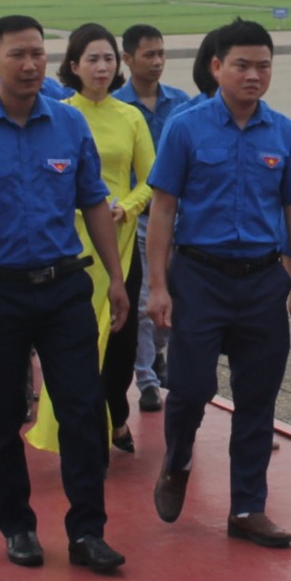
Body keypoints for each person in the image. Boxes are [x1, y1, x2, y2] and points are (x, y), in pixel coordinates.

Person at [0, 14, 134, 574]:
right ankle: (18, 527)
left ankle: (87, 530)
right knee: (1, 416)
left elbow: (93, 201)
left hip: (65, 285)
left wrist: (116, 280)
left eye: (37, 55)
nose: (29, 65)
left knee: (81, 408)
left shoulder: (69, 128)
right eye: (17, 55)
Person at [143, 19, 291, 548]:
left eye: (263, 66)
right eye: (241, 64)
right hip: (199, 277)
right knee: (192, 389)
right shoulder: (186, 127)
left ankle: (247, 507)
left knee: (257, 398)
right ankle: (177, 463)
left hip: (263, 280)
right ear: (216, 67)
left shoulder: (284, 133)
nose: (253, 75)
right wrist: (158, 286)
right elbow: (163, 208)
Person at [37, 25, 155, 455]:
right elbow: (49, 178)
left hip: (121, 242)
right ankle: (84, 430)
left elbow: (152, 178)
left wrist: (128, 206)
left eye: (108, 58)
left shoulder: (131, 116)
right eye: (92, 59)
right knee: (78, 343)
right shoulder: (60, 116)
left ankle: (116, 415)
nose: (102, 67)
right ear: (73, 67)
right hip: (72, 244)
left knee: (121, 342)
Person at [115, 23, 193, 411]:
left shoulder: (182, 103)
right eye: (149, 55)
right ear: (128, 59)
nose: (157, 61)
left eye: (161, 53)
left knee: (177, 298)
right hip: (138, 219)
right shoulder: (115, 107)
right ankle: (145, 378)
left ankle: (156, 356)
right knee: (147, 299)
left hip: (181, 219)